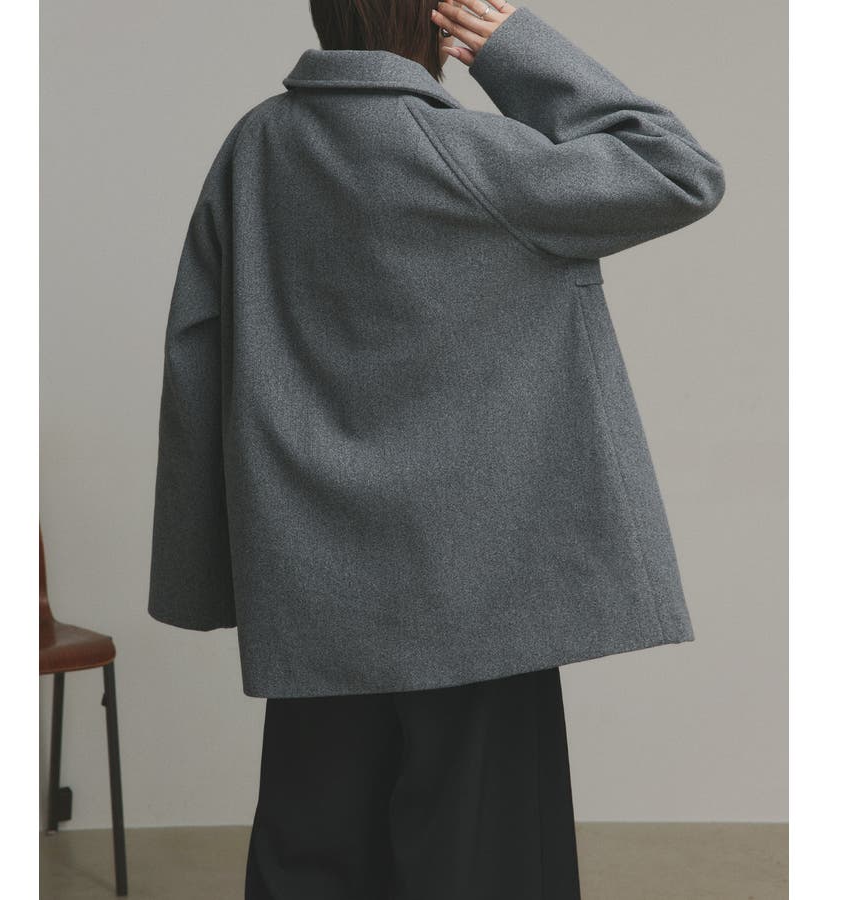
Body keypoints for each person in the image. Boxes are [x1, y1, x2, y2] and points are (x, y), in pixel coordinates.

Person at [147, 2, 725, 897]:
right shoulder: (477, 154)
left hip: (309, 580)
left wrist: (211, 575)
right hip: (479, 591)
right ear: (438, 20)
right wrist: (515, 47)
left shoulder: (255, 148)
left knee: (313, 852)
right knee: (481, 859)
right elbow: (678, 169)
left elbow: (197, 347)